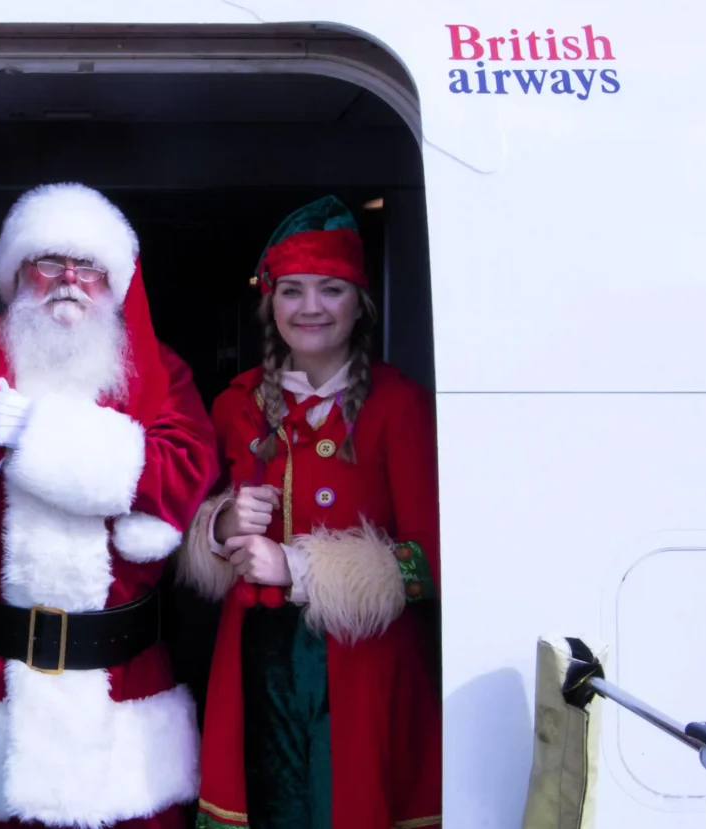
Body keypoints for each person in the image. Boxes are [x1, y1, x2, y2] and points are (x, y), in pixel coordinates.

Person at [0, 182, 220, 829]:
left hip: (120, 691)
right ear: (16, 274)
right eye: (50, 262)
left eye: (89, 266)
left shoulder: (155, 370)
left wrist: (35, 431)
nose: (69, 279)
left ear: (115, 282)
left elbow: (184, 472)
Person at [176, 195, 442, 829]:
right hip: (253, 664)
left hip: (364, 672)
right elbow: (186, 526)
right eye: (292, 291)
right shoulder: (234, 405)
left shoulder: (399, 406)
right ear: (270, 304)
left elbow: (429, 563)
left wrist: (298, 569)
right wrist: (219, 527)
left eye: (332, 289)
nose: (312, 307)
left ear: (361, 302)